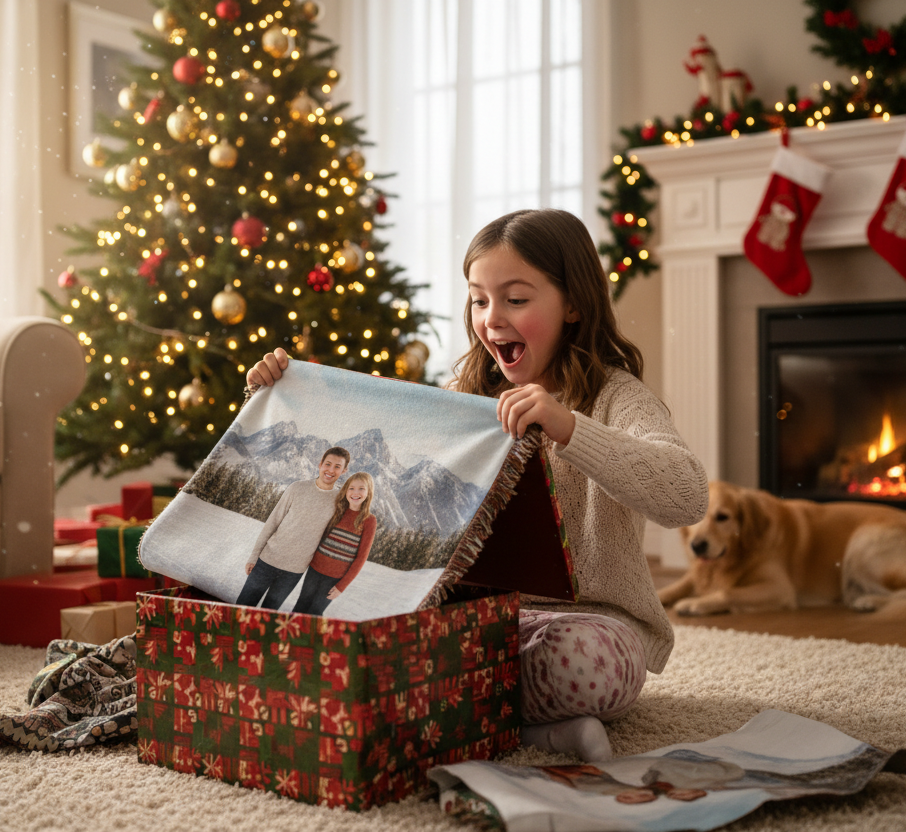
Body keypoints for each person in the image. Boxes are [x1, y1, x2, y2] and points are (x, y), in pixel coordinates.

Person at [247, 208, 708, 763]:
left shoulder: (617, 396)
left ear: (575, 304)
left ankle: (435, 713)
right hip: (474, 621)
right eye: (479, 299)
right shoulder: (462, 394)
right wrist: (275, 396)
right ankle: (535, 732)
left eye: (516, 299)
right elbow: (370, 467)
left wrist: (569, 426)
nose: (492, 319)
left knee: (582, 666)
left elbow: (687, 495)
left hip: (587, 624)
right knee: (372, 642)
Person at [234, 446, 349, 610]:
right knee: (241, 607)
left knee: (268, 616)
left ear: (344, 470)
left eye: (337, 466)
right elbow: (272, 522)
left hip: (294, 572)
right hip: (266, 561)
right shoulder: (297, 488)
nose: (331, 470)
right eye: (328, 464)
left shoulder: (340, 502)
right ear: (320, 464)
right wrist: (254, 556)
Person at [292, 471, 378, 616]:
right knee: (301, 605)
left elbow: (361, 558)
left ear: (369, 493)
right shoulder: (338, 511)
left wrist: (342, 586)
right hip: (314, 569)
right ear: (345, 491)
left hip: (335, 578)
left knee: (315, 612)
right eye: (351, 488)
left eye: (361, 489)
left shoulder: (369, 520)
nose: (355, 492)